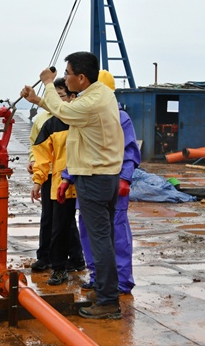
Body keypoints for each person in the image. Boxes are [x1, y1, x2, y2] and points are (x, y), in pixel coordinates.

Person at [20, 51, 124, 320]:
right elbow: (67, 114)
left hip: (94, 178)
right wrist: (40, 101)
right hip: (105, 177)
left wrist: (46, 83)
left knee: (99, 241)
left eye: (67, 74)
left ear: (81, 77)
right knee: (105, 239)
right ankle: (104, 291)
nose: (64, 78)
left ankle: (108, 302)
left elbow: (66, 110)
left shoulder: (90, 103)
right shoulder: (100, 95)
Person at [60, 70, 140, 296]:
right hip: (88, 182)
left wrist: (125, 177)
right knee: (89, 232)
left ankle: (121, 281)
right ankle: (98, 277)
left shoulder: (119, 117)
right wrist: (67, 177)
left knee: (116, 235)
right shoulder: (86, 114)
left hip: (107, 181)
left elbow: (128, 150)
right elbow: (78, 149)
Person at [28, 78, 85, 284]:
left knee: (91, 228)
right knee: (58, 226)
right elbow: (42, 155)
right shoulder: (50, 124)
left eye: (61, 96)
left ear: (73, 97)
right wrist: (38, 180)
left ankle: (86, 264)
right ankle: (58, 267)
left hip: (86, 182)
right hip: (60, 184)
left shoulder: (84, 120)